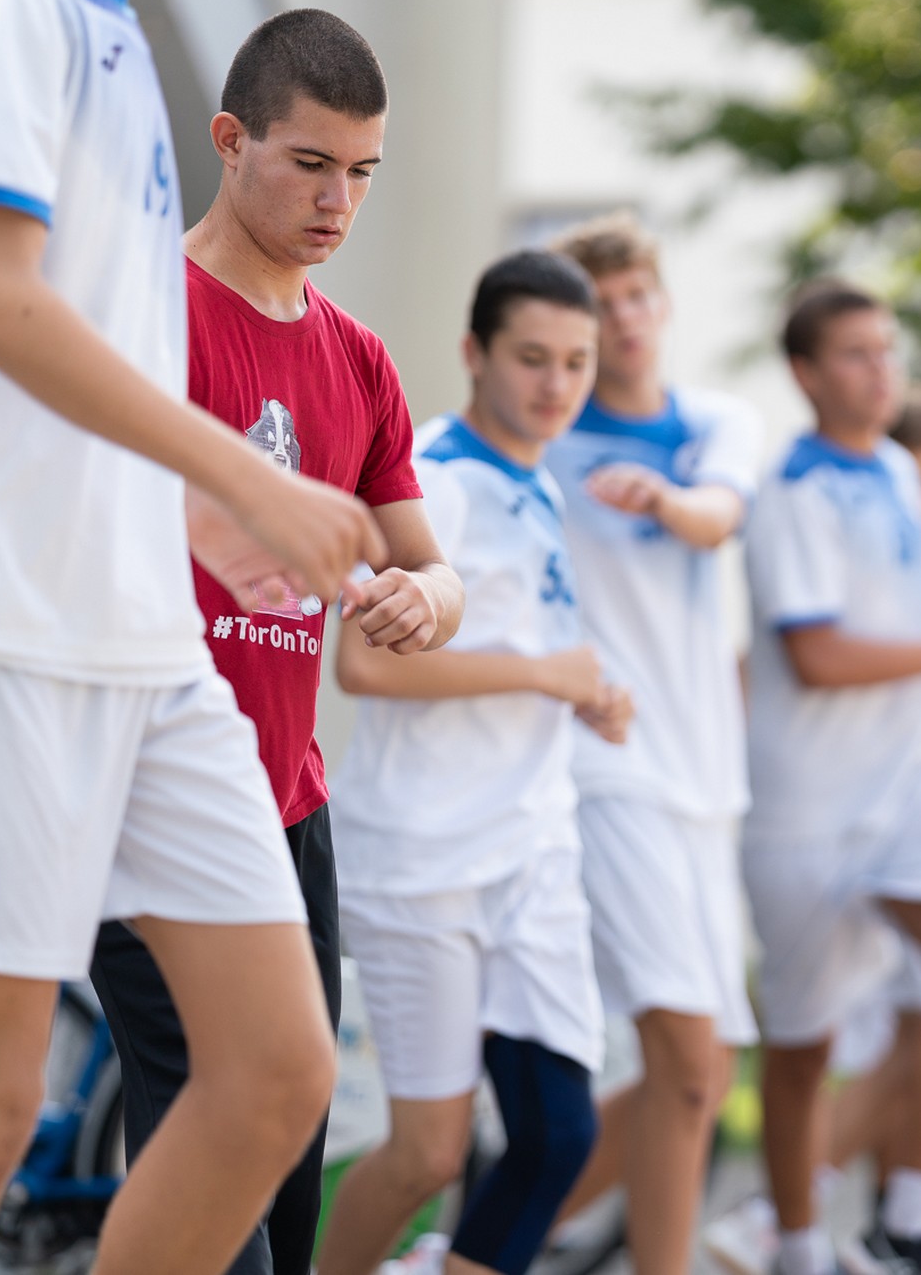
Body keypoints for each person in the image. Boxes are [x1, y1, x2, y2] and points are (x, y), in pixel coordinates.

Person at [0, 0, 391, 1272]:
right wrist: (249, 479)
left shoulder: (108, 33)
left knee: (275, 1070)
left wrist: (199, 514)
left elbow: (87, 368)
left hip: (138, 637)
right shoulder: (8, 3)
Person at [87, 8, 464, 1275]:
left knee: (288, 1176)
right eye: (310, 164)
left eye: (361, 174)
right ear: (230, 138)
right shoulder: (138, 306)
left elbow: (424, 563)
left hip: (290, 810)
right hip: (145, 789)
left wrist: (433, 599)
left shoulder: (358, 359)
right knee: (218, 1183)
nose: (337, 202)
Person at [315, 250, 632, 1275]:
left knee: (556, 1136)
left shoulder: (540, 489)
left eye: (576, 362)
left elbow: (518, 660)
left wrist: (585, 695)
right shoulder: (438, 483)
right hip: (425, 860)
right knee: (425, 1154)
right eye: (532, 357)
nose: (555, 384)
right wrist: (544, 674)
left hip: (528, 855)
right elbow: (364, 665)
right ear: (473, 353)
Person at [743, 282, 921, 1275]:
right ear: (805, 373)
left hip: (915, 782)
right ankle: (790, 1244)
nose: (880, 371)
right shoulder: (786, 490)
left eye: (887, 351)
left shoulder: (907, 472)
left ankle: (912, 1218)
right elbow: (819, 657)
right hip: (806, 802)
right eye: (855, 354)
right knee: (801, 1048)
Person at [538, 213, 761, 1275]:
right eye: (601, 305)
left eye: (638, 296)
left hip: (704, 781)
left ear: (661, 304)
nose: (625, 319)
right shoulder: (543, 434)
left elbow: (717, 514)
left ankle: (475, 1245)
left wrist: (668, 499)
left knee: (699, 1071)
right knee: (680, 1051)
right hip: (602, 763)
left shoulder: (718, 422)